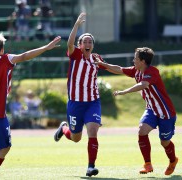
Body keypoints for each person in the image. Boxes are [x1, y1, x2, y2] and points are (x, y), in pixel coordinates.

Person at [0, 33, 61, 180]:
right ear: (2, 49)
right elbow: (25, 55)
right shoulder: (6, 58)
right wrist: (46, 47)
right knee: (4, 147)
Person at [94, 47, 178, 175]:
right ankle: (148, 164)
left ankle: (173, 161)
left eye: (135, 59)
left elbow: (143, 85)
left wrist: (124, 91)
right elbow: (119, 69)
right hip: (151, 109)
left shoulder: (152, 71)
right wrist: (102, 64)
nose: (133, 60)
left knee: (164, 141)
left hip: (165, 112)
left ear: (143, 61)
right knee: (142, 130)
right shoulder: (136, 71)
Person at [54, 12, 106, 177]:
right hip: (76, 103)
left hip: (93, 102)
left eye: (90, 41)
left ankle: (91, 166)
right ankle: (64, 128)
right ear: (80, 45)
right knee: (76, 138)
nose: (88, 43)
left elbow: (108, 67)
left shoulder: (96, 58)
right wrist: (77, 24)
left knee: (93, 131)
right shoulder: (75, 55)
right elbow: (69, 44)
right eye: (85, 41)